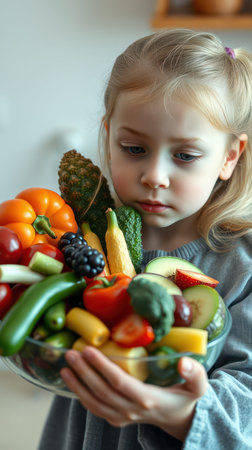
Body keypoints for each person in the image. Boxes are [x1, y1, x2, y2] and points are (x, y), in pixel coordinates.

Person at [39, 29, 252, 450]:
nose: (154, 176)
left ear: (229, 156)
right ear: (109, 133)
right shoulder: (79, 236)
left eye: (185, 156)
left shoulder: (241, 267)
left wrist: (178, 413)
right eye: (134, 148)